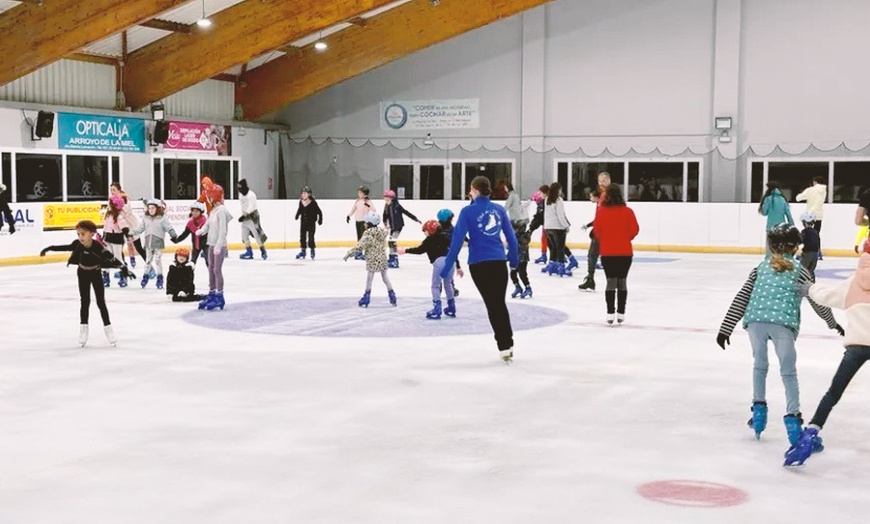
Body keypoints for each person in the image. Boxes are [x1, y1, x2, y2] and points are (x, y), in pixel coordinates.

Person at [717, 223, 843, 445]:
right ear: (796, 247)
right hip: (783, 324)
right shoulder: (801, 271)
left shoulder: (760, 268)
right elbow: (817, 301)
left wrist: (726, 328)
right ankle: (794, 424)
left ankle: (758, 414)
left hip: (755, 321)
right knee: (788, 373)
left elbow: (741, 298)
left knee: (759, 365)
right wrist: (832, 323)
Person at [783, 242, 870, 466]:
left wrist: (809, 288)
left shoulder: (853, 282)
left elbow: (827, 295)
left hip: (856, 348)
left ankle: (811, 433)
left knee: (833, 394)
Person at [442, 176, 519, 363]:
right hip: (499, 262)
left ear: (474, 190)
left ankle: (504, 345)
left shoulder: (467, 212)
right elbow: (512, 239)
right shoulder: (499, 210)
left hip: (478, 264)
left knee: (492, 304)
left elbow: (457, 241)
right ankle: (507, 343)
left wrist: (447, 267)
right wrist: (514, 261)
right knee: (498, 302)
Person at [39, 220, 133, 347]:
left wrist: (124, 269)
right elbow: (65, 247)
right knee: (85, 301)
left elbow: (112, 259)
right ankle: (83, 329)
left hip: (95, 273)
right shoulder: (77, 244)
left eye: (83, 234)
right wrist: (49, 248)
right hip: (82, 273)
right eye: (78, 234)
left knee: (101, 302)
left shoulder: (98, 247)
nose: (80, 237)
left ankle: (108, 328)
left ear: (91, 233)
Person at [593, 185, 639, 325]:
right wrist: (624, 239)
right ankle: (621, 313)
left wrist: (607, 240)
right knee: (622, 281)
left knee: (611, 281)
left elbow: (597, 232)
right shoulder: (628, 211)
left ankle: (610, 312)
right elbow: (634, 230)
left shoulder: (601, 212)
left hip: (608, 252)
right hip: (625, 252)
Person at [398, 220, 455, 319]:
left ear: (430, 231)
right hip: (451, 261)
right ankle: (451, 307)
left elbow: (419, 250)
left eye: (425, 231)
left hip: (439, 262)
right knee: (448, 283)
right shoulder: (445, 237)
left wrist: (405, 250)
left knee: (435, 286)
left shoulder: (429, 240)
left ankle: (437, 309)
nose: (424, 233)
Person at [343, 212, 396, 308]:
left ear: (369, 224)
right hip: (382, 259)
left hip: (372, 259)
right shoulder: (381, 232)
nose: (364, 224)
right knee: (385, 278)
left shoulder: (368, 235)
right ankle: (392, 295)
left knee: (369, 279)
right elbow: (386, 232)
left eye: (365, 222)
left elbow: (359, 246)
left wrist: (349, 254)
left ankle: (366, 297)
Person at [196, 184, 232, 311]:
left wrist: (219, 245)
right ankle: (211, 293)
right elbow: (207, 225)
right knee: (211, 268)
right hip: (211, 244)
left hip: (219, 245)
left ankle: (219, 296)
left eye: (209, 196)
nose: (207, 198)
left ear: (213, 197)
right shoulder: (213, 211)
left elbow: (223, 231)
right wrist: (201, 231)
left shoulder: (222, 211)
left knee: (217, 269)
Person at [130, 199, 177, 289]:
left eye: (153, 208)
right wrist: (132, 233)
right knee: (148, 261)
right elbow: (140, 229)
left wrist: (173, 234)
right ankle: (145, 276)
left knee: (158, 260)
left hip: (158, 242)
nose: (150, 210)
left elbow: (169, 227)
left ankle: (160, 277)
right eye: (149, 208)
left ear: (157, 208)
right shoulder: (145, 218)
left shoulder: (162, 218)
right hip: (148, 243)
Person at [579, 172, 612, 292]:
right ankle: (590, 279)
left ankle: (591, 280)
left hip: (604, 231)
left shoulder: (609, 195)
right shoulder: (602, 195)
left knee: (595, 255)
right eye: (599, 181)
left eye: (604, 181)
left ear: (608, 180)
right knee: (592, 255)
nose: (601, 183)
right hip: (600, 230)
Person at [382, 189, 421, 269]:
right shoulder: (387, 207)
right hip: (392, 227)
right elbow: (384, 216)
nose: (386, 201)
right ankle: (392, 258)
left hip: (398, 226)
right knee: (391, 242)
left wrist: (415, 219)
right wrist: (385, 223)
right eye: (385, 199)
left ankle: (394, 260)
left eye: (387, 199)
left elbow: (406, 212)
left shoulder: (397, 206)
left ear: (392, 199)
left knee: (392, 241)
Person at [542, 182, 572, 277]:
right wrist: (566, 226)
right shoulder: (559, 200)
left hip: (548, 227)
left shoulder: (547, 200)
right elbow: (560, 215)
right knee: (560, 248)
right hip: (558, 227)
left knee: (553, 248)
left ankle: (552, 266)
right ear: (558, 190)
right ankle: (561, 268)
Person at [102, 195, 131, 288]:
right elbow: (106, 226)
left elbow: (124, 226)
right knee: (106, 257)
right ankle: (105, 276)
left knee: (118, 257)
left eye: (110, 204)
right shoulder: (108, 214)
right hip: (107, 238)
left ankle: (123, 275)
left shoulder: (119, 216)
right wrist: (102, 237)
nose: (108, 205)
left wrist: (127, 234)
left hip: (116, 239)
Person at [110, 182, 143, 265]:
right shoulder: (112, 199)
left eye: (114, 190)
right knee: (119, 248)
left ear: (119, 190)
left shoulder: (123, 198)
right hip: (120, 227)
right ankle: (123, 267)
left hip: (131, 226)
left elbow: (123, 212)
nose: (112, 191)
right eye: (111, 190)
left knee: (138, 247)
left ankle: (150, 268)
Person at [795, 176, 827, 258]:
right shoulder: (824, 191)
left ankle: (807, 251)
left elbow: (798, 198)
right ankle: (818, 251)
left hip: (809, 215)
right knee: (816, 234)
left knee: (808, 233)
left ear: (815, 182)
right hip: (819, 215)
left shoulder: (810, 190)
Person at [237, 178, 268, 260]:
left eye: (240, 187)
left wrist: (244, 215)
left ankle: (263, 250)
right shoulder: (241, 196)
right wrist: (243, 216)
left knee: (256, 234)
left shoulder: (251, 195)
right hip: (245, 219)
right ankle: (249, 251)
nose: (239, 189)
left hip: (252, 218)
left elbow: (251, 207)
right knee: (244, 235)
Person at [437, 208, 463, 297]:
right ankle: (450, 286)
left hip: (438, 255)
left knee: (441, 271)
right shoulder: (451, 229)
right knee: (448, 272)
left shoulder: (437, 228)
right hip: (448, 254)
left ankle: (440, 286)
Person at [174, 202, 208, 266]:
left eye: (197, 211)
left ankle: (213, 276)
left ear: (201, 212)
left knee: (209, 262)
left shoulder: (206, 222)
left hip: (206, 245)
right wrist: (177, 240)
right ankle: (188, 275)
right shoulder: (190, 223)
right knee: (192, 263)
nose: (194, 213)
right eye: (193, 211)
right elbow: (185, 234)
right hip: (196, 245)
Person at [347, 186, 377, 260]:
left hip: (364, 222)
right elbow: (353, 209)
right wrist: (349, 215)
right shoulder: (357, 201)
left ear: (364, 194)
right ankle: (358, 253)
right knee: (359, 238)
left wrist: (366, 204)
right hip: (358, 221)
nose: (359, 194)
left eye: (360, 192)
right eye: (359, 192)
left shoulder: (367, 202)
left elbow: (373, 210)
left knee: (364, 238)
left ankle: (366, 253)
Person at [295, 185, 322, 260]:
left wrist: (320, 219)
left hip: (311, 223)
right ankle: (303, 251)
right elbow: (300, 209)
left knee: (311, 238)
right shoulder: (301, 202)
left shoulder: (313, 203)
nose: (303, 195)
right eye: (302, 193)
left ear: (309, 194)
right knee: (302, 237)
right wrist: (297, 215)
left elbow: (319, 212)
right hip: (303, 223)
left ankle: (312, 250)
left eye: (305, 193)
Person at [510, 219, 533, 299]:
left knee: (522, 274)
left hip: (523, 259)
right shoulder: (514, 236)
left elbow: (521, 244)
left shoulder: (524, 237)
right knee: (512, 274)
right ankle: (518, 287)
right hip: (515, 258)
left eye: (515, 229)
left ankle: (528, 287)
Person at [531, 185, 550, 264]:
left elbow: (540, 216)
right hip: (546, 224)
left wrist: (533, 225)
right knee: (545, 239)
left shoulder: (543, 203)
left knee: (550, 241)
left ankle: (559, 257)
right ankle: (544, 255)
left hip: (548, 224)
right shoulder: (542, 203)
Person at [799, 211, 820, 279]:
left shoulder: (804, 232)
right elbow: (818, 242)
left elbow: (800, 240)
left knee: (802, 270)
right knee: (811, 271)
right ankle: (812, 284)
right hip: (815, 254)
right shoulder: (816, 232)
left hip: (807, 254)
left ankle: (802, 285)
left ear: (805, 222)